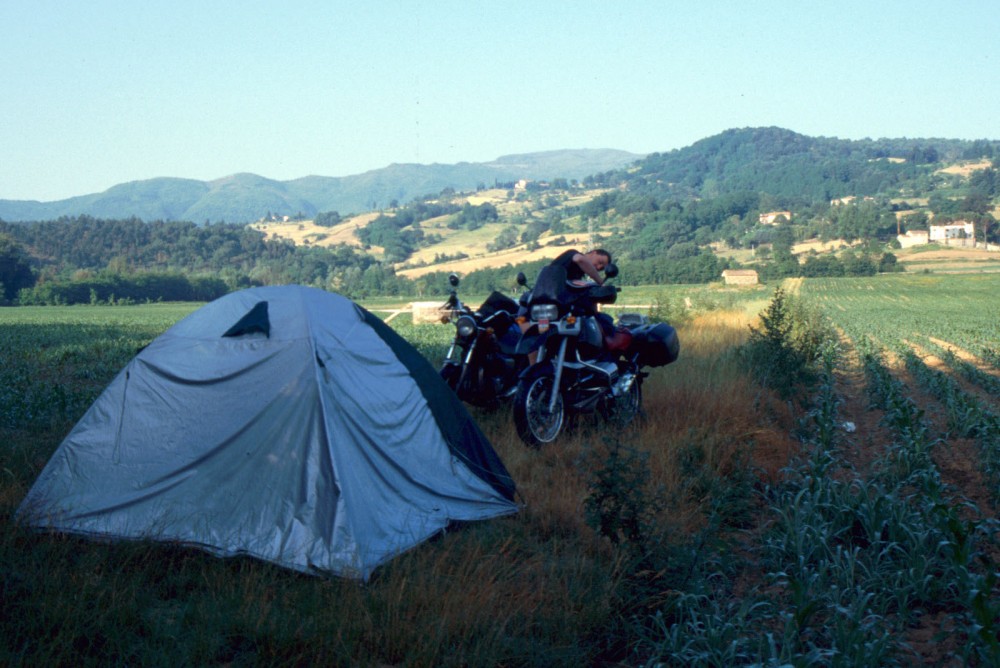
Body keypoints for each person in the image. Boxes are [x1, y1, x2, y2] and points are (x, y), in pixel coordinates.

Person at [548, 248, 612, 285]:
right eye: (600, 262)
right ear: (593, 253)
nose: (598, 267)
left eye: (601, 268)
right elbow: (578, 259)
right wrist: (600, 281)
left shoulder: (579, 274)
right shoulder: (573, 253)